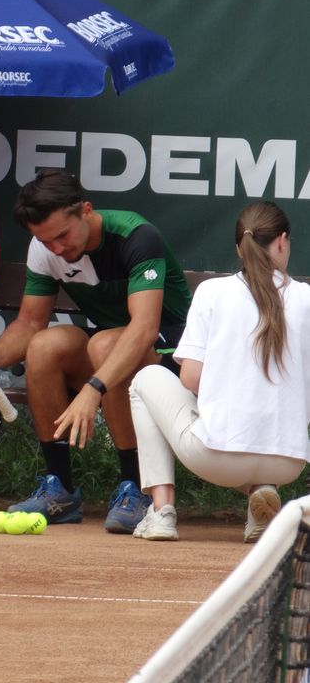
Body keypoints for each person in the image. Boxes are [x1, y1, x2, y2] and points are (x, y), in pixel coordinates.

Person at [0, 169, 191, 533]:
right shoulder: (45, 248)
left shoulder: (137, 236)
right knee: (44, 346)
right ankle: (60, 490)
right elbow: (29, 323)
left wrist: (93, 388)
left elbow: (144, 329)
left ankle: (137, 487)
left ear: (86, 210)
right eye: (46, 241)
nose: (56, 249)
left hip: (172, 352)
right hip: (113, 348)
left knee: (105, 345)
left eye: (62, 236)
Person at [129, 200, 310, 543]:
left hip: (216, 459)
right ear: (282, 241)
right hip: (289, 463)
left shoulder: (212, 292)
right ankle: (261, 494)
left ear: (239, 248)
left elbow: (190, 379)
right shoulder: (307, 298)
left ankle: (162, 512)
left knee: (144, 380)